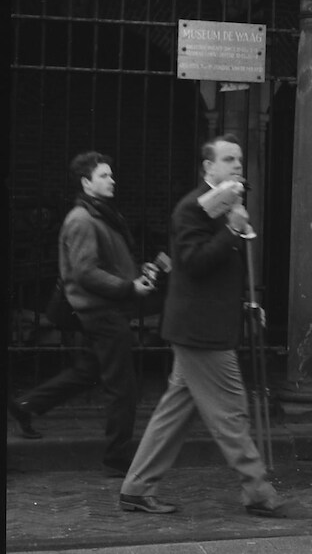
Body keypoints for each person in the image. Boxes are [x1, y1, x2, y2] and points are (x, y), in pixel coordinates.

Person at [119, 134, 284, 518]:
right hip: (201, 333)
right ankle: (258, 492)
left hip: (202, 326)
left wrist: (243, 304)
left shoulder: (224, 203)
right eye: (228, 159)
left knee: (174, 413)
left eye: (239, 159)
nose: (237, 165)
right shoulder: (192, 209)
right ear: (208, 166)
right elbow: (192, 264)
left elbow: (215, 274)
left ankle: (136, 489)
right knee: (231, 412)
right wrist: (232, 230)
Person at [11, 152, 155, 472]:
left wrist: (136, 273)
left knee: (88, 372)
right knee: (123, 388)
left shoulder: (101, 215)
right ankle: (117, 459)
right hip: (102, 313)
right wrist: (129, 287)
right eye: (104, 175)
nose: (112, 180)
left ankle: (26, 406)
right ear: (86, 183)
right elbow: (85, 272)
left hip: (104, 309)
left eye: (111, 174)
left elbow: (108, 262)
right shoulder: (82, 220)